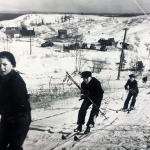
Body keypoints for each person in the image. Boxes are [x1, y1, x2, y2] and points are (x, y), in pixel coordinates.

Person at [0, 51, 31, 150]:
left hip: (20, 119)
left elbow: (21, 104)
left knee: (14, 146)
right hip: (7, 117)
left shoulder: (16, 81)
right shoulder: (2, 78)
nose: (1, 68)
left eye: (5, 64)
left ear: (12, 64)